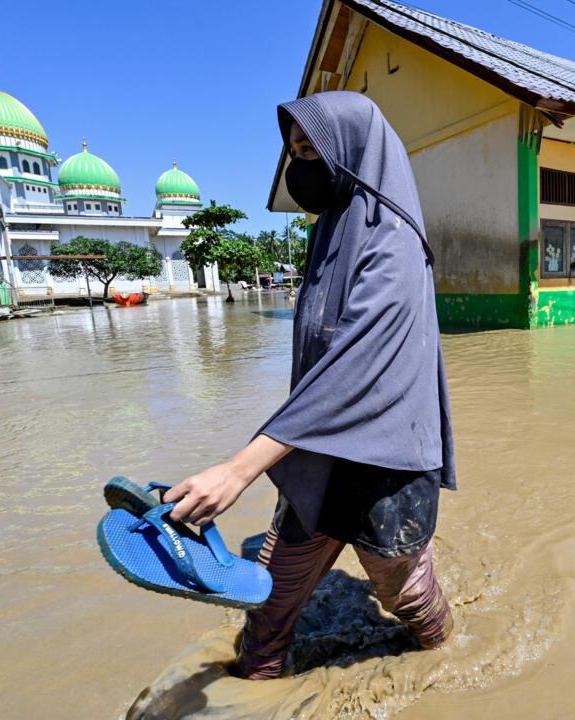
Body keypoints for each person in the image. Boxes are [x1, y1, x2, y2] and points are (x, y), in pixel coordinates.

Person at [163, 91, 456, 680]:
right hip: (320, 454)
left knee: (405, 600)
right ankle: (251, 685)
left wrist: (239, 468)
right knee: (270, 605)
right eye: (295, 150)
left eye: (312, 150)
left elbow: (353, 368)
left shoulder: (392, 239)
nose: (300, 165)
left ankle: (450, 657)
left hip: (387, 470)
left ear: (352, 153)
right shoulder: (331, 230)